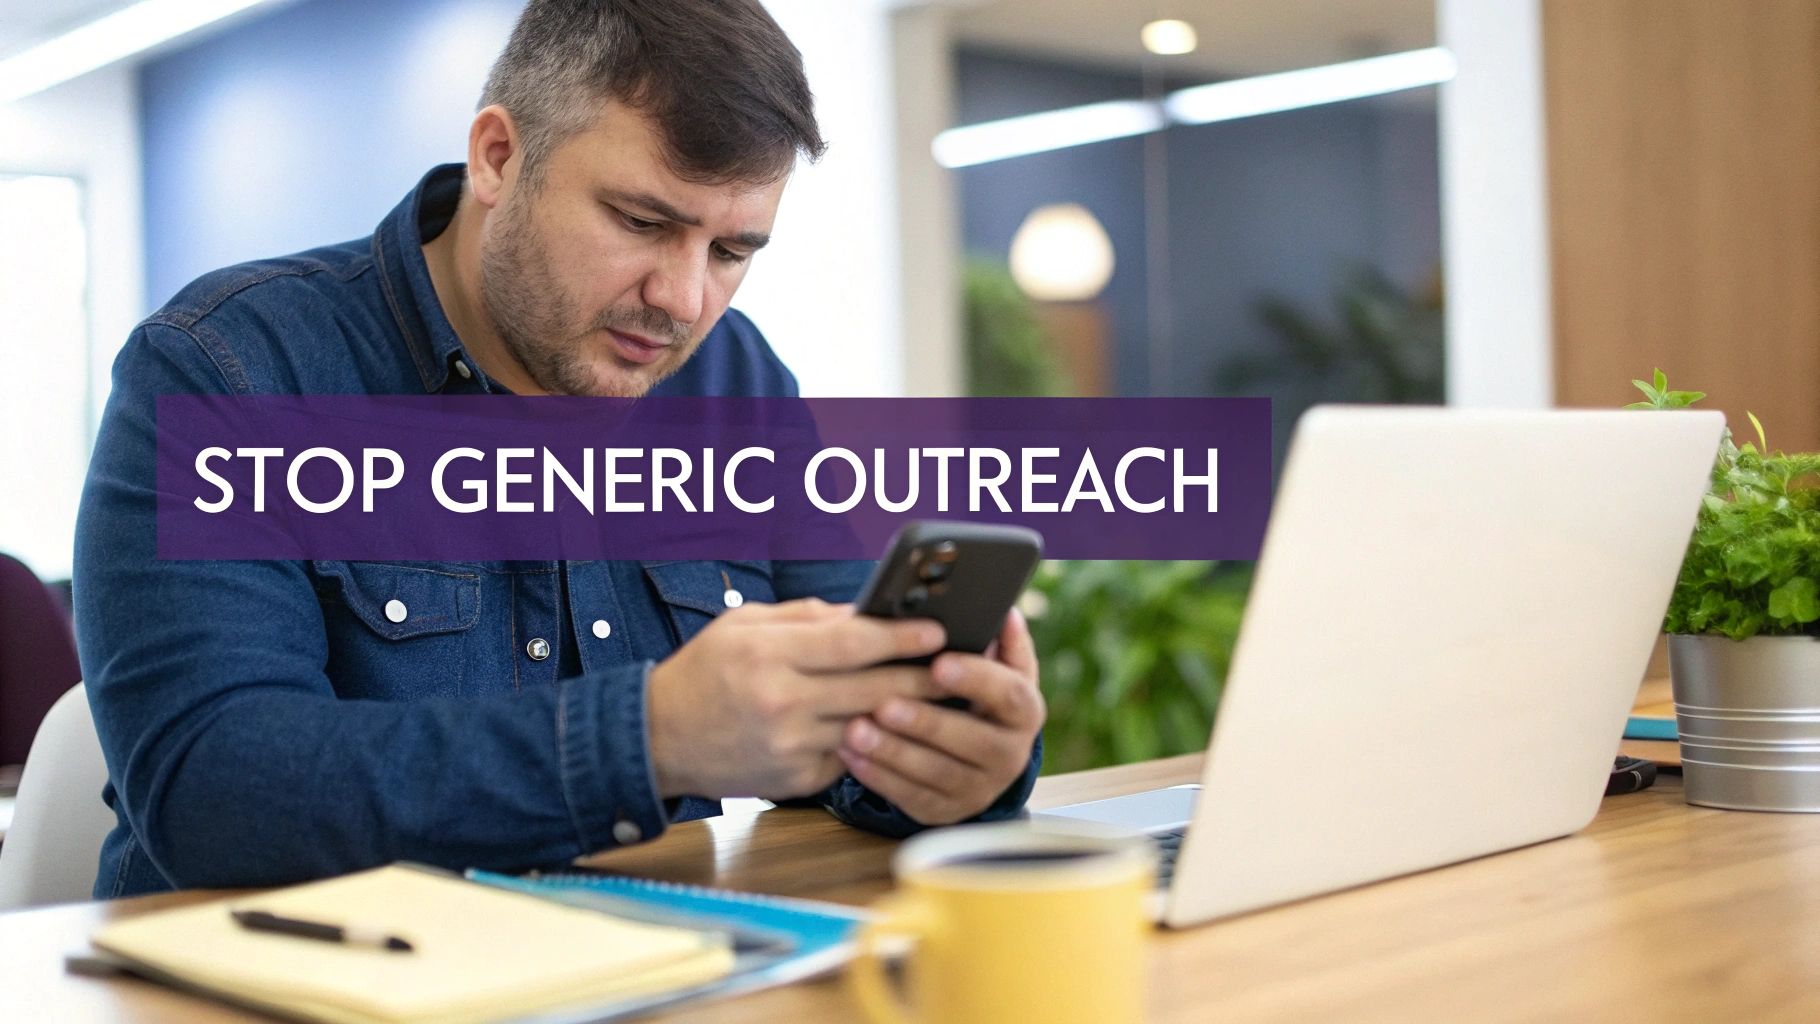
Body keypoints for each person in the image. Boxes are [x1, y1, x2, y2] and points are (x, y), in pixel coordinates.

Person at [74, 0, 1044, 899]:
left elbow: (853, 700)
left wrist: (941, 770)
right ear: (499, 155)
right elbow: (212, 788)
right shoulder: (228, 367)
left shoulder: (732, 382)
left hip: (655, 971)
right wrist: (647, 736)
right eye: (641, 222)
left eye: (731, 250)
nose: (684, 299)